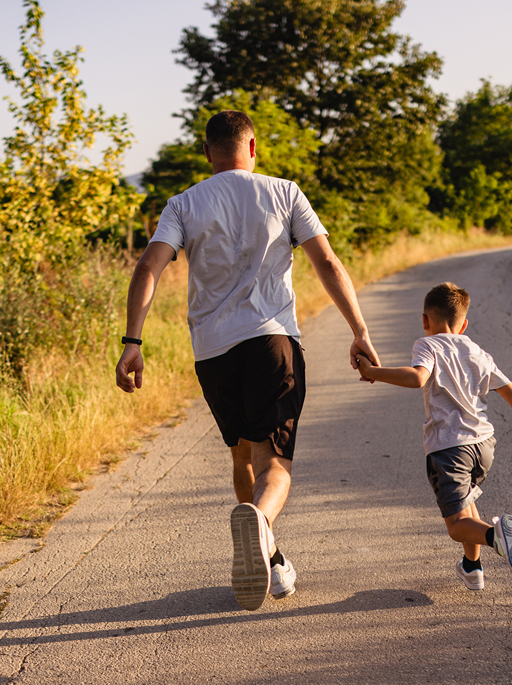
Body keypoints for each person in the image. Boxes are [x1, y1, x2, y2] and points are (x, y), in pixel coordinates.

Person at [115, 110, 380, 611]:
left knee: (243, 454)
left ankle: (273, 561)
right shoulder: (285, 192)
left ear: (206, 151)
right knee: (274, 465)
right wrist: (359, 330)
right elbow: (327, 261)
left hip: (212, 354)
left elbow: (149, 265)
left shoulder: (183, 203)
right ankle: (260, 526)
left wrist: (133, 340)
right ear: (253, 147)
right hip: (271, 343)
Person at [354, 281, 512, 590]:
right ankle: (472, 568)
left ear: (425, 320)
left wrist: (372, 372)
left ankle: (494, 536)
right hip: (484, 446)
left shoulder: (427, 344)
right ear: (464, 324)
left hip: (449, 448)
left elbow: (418, 377)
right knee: (467, 502)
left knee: (457, 525)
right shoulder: (477, 351)